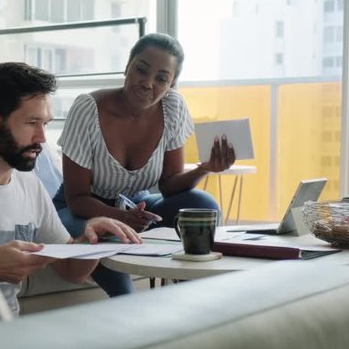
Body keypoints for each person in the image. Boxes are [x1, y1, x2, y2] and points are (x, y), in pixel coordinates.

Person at [0, 62, 140, 315]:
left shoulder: (29, 186)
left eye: (45, 123)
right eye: (32, 122)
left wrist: (93, 241)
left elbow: (71, 271)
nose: (42, 138)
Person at [53, 33, 236, 297]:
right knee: (122, 288)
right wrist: (121, 218)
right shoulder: (88, 109)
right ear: (127, 67)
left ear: (171, 84)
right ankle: (127, 303)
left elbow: (170, 184)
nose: (148, 83)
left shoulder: (173, 107)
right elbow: (77, 198)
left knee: (204, 205)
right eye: (141, 69)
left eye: (162, 78)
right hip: (82, 211)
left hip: (135, 206)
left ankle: (189, 293)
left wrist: (204, 168)